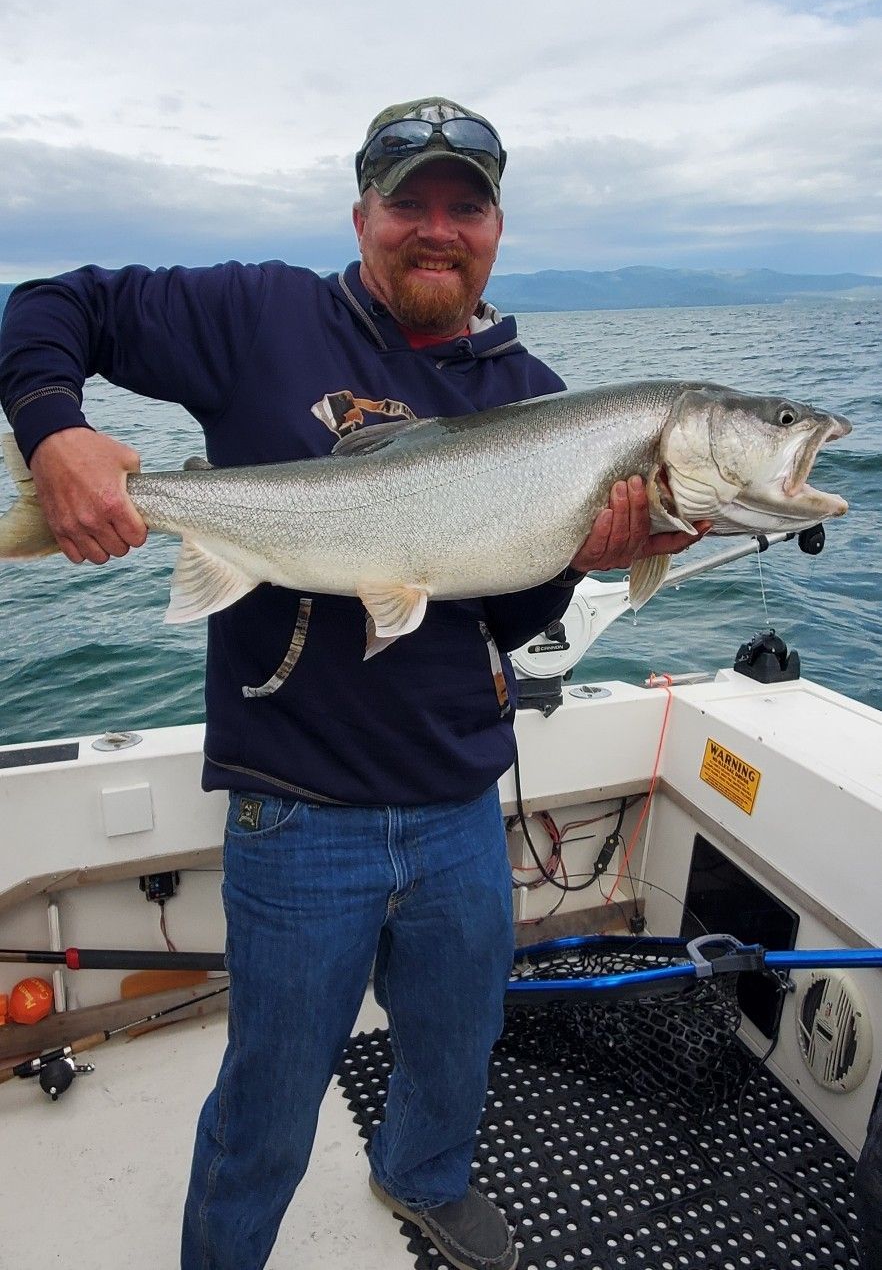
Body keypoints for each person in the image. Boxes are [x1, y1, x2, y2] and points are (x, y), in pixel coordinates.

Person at [0, 97, 703, 1270]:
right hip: (296, 804)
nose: (436, 231)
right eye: (409, 203)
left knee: (453, 1044)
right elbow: (48, 304)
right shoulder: (259, 315)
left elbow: (512, 613)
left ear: (495, 228)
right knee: (269, 1091)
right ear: (363, 213)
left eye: (463, 207)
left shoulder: (534, 395)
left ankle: (422, 1176)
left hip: (457, 803)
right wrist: (52, 427)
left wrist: (592, 555)